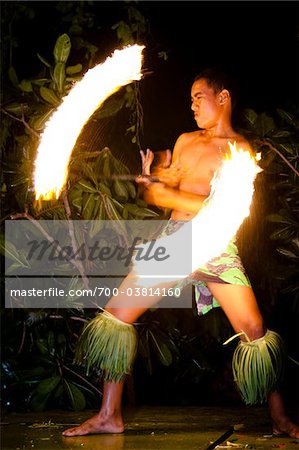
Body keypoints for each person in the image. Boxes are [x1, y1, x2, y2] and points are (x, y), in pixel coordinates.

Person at [63, 68, 299, 438]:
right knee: (116, 315)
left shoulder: (241, 152)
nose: (191, 106)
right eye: (190, 100)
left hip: (215, 247)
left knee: (255, 332)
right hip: (175, 241)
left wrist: (163, 194)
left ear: (223, 98)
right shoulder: (187, 140)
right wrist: (153, 175)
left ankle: (280, 418)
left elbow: (218, 207)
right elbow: (170, 179)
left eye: (198, 98)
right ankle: (109, 414)